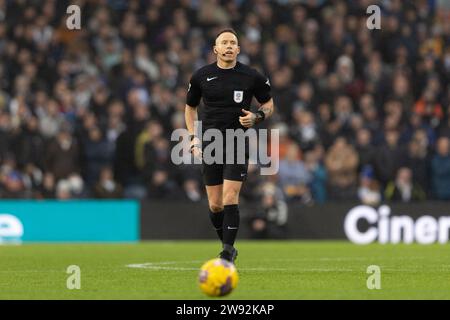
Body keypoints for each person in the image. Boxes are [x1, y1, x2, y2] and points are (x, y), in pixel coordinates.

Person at [185, 29, 274, 263]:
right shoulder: (201, 76)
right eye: (223, 42)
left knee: (230, 197)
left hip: (236, 142)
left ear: (238, 49)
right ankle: (227, 246)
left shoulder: (251, 76)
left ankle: (227, 252)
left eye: (232, 43)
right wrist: (194, 138)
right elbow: (190, 108)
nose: (228, 46)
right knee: (215, 205)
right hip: (210, 144)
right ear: (215, 49)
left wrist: (257, 118)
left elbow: (268, 104)